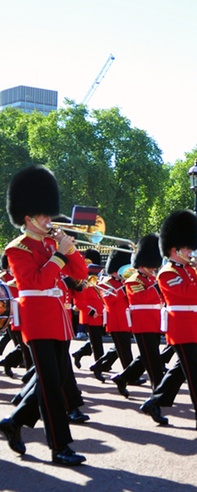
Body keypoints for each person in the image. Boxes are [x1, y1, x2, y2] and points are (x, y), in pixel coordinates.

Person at [0, 164, 88, 465]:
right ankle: (60, 447)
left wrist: (69, 250)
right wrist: (60, 255)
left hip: (60, 318)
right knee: (51, 387)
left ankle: (13, 422)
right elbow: (36, 282)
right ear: (28, 217)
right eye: (44, 214)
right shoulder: (17, 248)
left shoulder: (52, 242)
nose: (49, 219)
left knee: (56, 378)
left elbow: (80, 273)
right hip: (37, 318)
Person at [139, 210, 197, 431]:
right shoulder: (166, 272)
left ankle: (154, 402)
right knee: (195, 374)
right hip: (180, 326)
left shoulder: (188, 269)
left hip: (192, 324)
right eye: (187, 247)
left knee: (181, 369)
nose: (191, 251)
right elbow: (187, 292)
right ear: (174, 248)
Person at [110, 234, 171, 397]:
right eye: (151, 265)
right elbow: (141, 298)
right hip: (142, 323)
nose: (153, 268)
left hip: (155, 322)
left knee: (146, 357)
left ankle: (122, 378)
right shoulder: (132, 280)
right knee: (152, 359)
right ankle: (158, 391)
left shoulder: (152, 279)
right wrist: (157, 287)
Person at [90, 248, 134, 377]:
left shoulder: (124, 282)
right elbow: (108, 300)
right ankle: (129, 375)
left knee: (120, 347)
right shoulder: (106, 283)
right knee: (124, 349)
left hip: (126, 319)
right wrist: (123, 289)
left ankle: (99, 365)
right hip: (116, 320)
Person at [70, 249, 107, 381]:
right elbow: (79, 302)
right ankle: (99, 368)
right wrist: (91, 311)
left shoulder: (95, 280)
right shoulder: (82, 281)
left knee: (95, 341)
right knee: (97, 345)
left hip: (99, 315)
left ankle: (79, 354)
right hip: (90, 316)